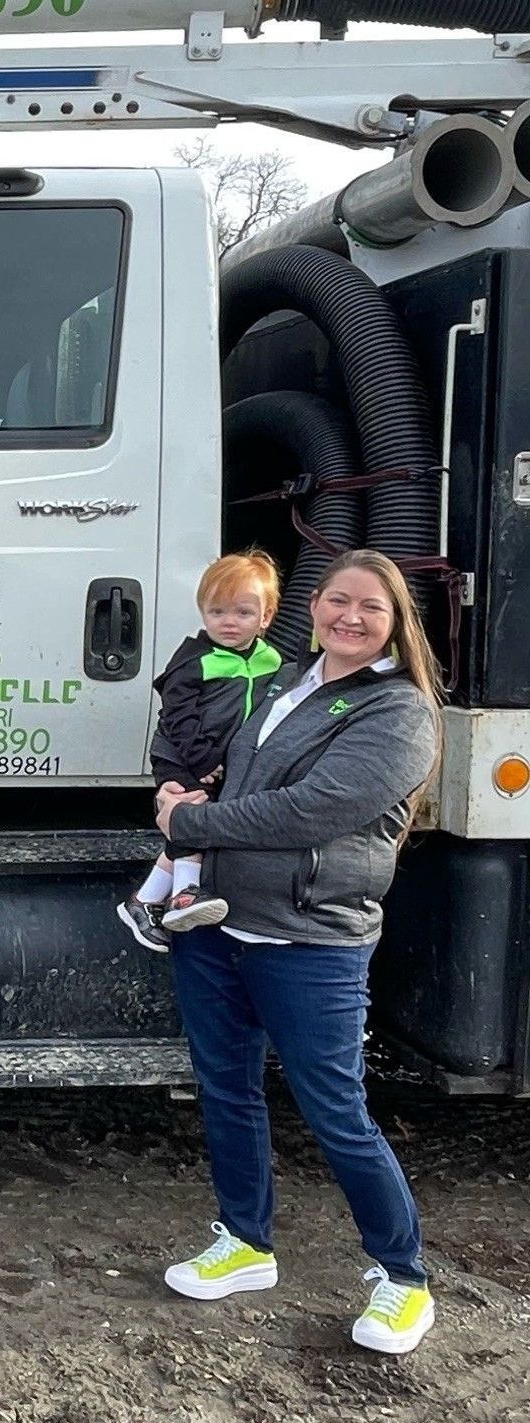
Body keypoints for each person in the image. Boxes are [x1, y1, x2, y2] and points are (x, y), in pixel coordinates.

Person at [154, 549, 442, 1354]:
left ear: (395, 623)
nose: (350, 617)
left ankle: (404, 1277)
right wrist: (185, 794)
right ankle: (246, 1241)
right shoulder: (286, 682)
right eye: (337, 601)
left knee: (336, 1112)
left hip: (310, 936)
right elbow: (244, 786)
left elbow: (313, 810)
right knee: (227, 1089)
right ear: (312, 607)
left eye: (370, 608)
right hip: (219, 925)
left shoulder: (400, 710)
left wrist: (190, 825)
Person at [117, 552, 282, 952]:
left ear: (266, 617)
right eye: (217, 611)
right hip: (181, 754)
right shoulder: (195, 660)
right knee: (191, 814)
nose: (228, 622)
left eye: (243, 612)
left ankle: (143, 901)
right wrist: (204, 759)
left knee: (201, 817)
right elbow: (177, 717)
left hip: (221, 762)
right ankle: (187, 894)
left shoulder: (272, 662)